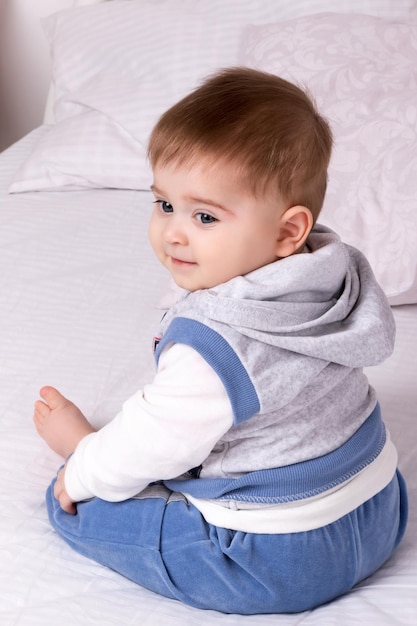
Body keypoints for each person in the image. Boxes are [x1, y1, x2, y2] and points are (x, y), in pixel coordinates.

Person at [34, 67, 407, 615]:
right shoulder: (335, 277)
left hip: (273, 560)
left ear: (287, 231)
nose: (173, 233)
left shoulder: (213, 344)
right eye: (163, 204)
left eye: (205, 215)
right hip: (379, 510)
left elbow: (156, 436)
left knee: (70, 499)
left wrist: (86, 461)